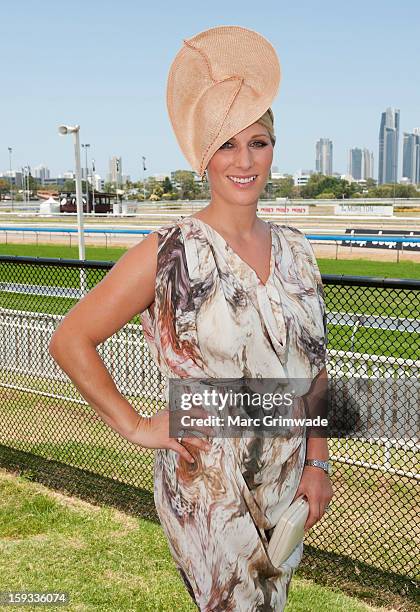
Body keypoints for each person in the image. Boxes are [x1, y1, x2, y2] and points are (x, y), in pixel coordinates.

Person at [49, 25, 333, 611]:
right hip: (208, 482)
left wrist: (318, 461)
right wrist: (134, 425)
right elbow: (71, 338)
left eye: (258, 142)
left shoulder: (300, 252)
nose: (244, 160)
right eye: (227, 145)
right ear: (204, 156)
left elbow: (315, 371)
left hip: (283, 485)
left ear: (274, 149)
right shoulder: (169, 251)